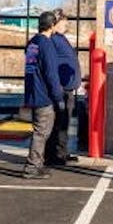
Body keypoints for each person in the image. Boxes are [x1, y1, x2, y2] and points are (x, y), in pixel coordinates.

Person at [23, 11, 63, 179]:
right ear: (52, 25)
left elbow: (32, 69)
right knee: (41, 132)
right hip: (44, 96)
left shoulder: (32, 43)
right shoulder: (47, 45)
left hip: (33, 92)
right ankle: (32, 167)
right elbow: (51, 73)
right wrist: (58, 96)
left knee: (39, 130)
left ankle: (37, 164)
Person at [46, 8, 80, 166]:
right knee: (57, 123)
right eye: (64, 22)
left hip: (68, 88)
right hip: (60, 89)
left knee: (64, 122)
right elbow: (50, 64)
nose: (66, 24)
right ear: (55, 23)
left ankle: (62, 151)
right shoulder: (52, 39)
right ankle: (53, 155)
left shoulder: (61, 38)